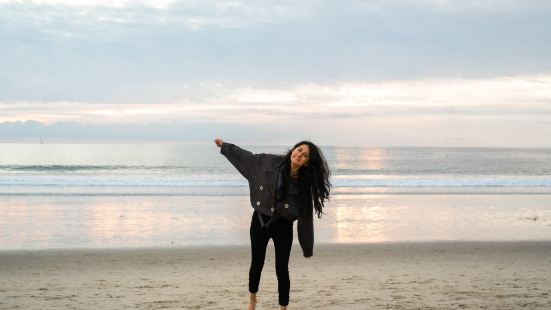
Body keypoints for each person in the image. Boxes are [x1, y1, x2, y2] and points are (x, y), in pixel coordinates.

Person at [214, 138, 331, 310]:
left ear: (307, 162)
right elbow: (247, 158)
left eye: (304, 155)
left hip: (283, 226)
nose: (299, 155)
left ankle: (283, 307)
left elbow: (306, 217)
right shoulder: (268, 162)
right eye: (299, 150)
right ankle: (252, 299)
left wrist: (307, 247)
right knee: (256, 263)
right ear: (293, 150)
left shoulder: (303, 185)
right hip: (260, 220)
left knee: (281, 269)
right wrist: (226, 147)